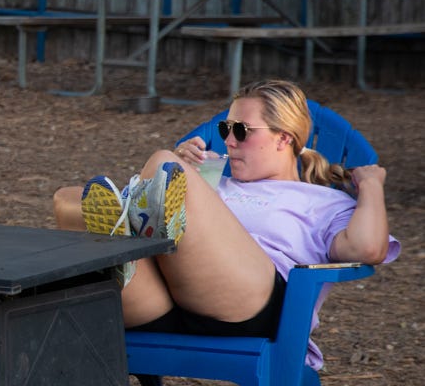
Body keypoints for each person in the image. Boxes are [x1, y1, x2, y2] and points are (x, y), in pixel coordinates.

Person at [52, 79, 397, 367]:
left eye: (241, 130)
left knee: (163, 162)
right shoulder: (215, 181)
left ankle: (135, 233)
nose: (229, 140)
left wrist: (370, 185)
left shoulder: (323, 201)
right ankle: (131, 245)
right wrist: (189, 176)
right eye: (225, 129)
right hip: (161, 302)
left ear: (284, 138)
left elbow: (367, 249)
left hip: (248, 308)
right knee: (70, 199)